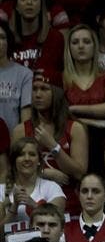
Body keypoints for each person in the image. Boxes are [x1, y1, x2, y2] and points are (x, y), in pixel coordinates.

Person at [11, 67, 88, 216]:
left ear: (57, 92)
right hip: (29, 205)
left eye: (44, 89)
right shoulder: (20, 130)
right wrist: (45, 173)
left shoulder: (74, 128)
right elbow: (13, 171)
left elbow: (79, 173)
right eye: (34, 89)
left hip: (70, 205)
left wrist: (54, 146)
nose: (37, 94)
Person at [1, 136, 65, 230]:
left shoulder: (52, 188)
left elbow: (56, 227)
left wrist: (34, 205)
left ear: (39, 160)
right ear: (14, 161)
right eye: (21, 154)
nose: (27, 158)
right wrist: (14, 207)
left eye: (32, 154)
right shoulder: (0, 191)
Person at [0, 22, 32, 133]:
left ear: (8, 41)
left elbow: (26, 121)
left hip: (12, 142)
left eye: (2, 37)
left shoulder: (24, 74)